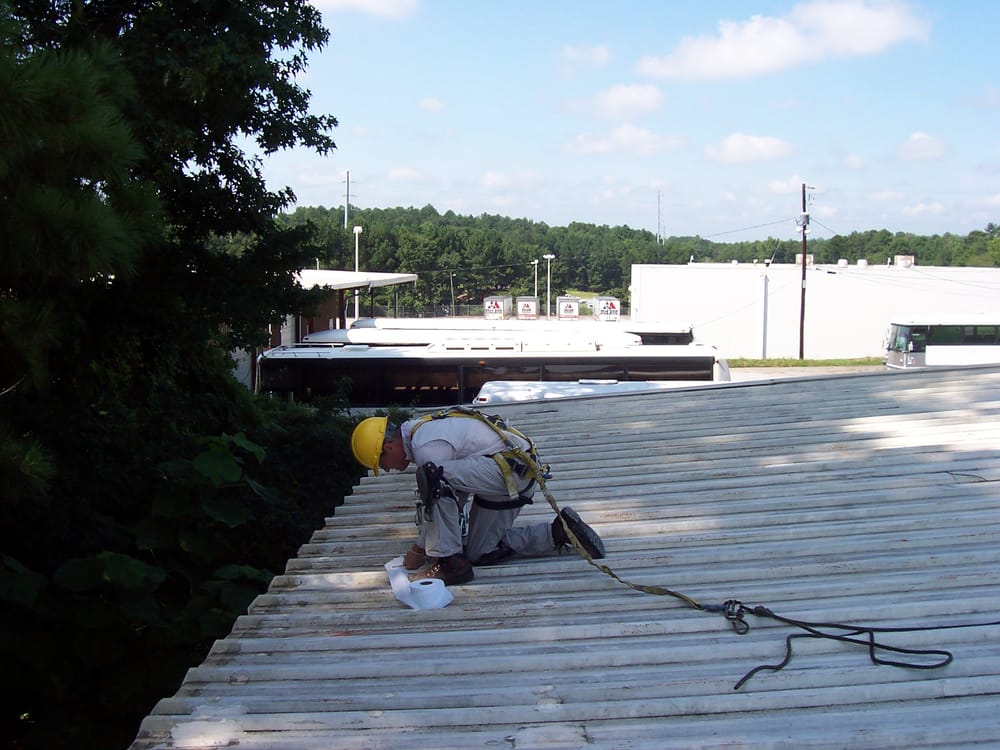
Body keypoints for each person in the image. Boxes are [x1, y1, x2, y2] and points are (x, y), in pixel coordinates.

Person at [350, 410, 605, 586]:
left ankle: (449, 564)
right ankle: (560, 532)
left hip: (507, 474)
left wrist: (423, 548)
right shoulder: (423, 430)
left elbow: (441, 493)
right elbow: (453, 496)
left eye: (381, 463)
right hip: (507, 476)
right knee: (480, 552)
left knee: (431, 478)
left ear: (389, 447)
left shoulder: (425, 444)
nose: (387, 469)